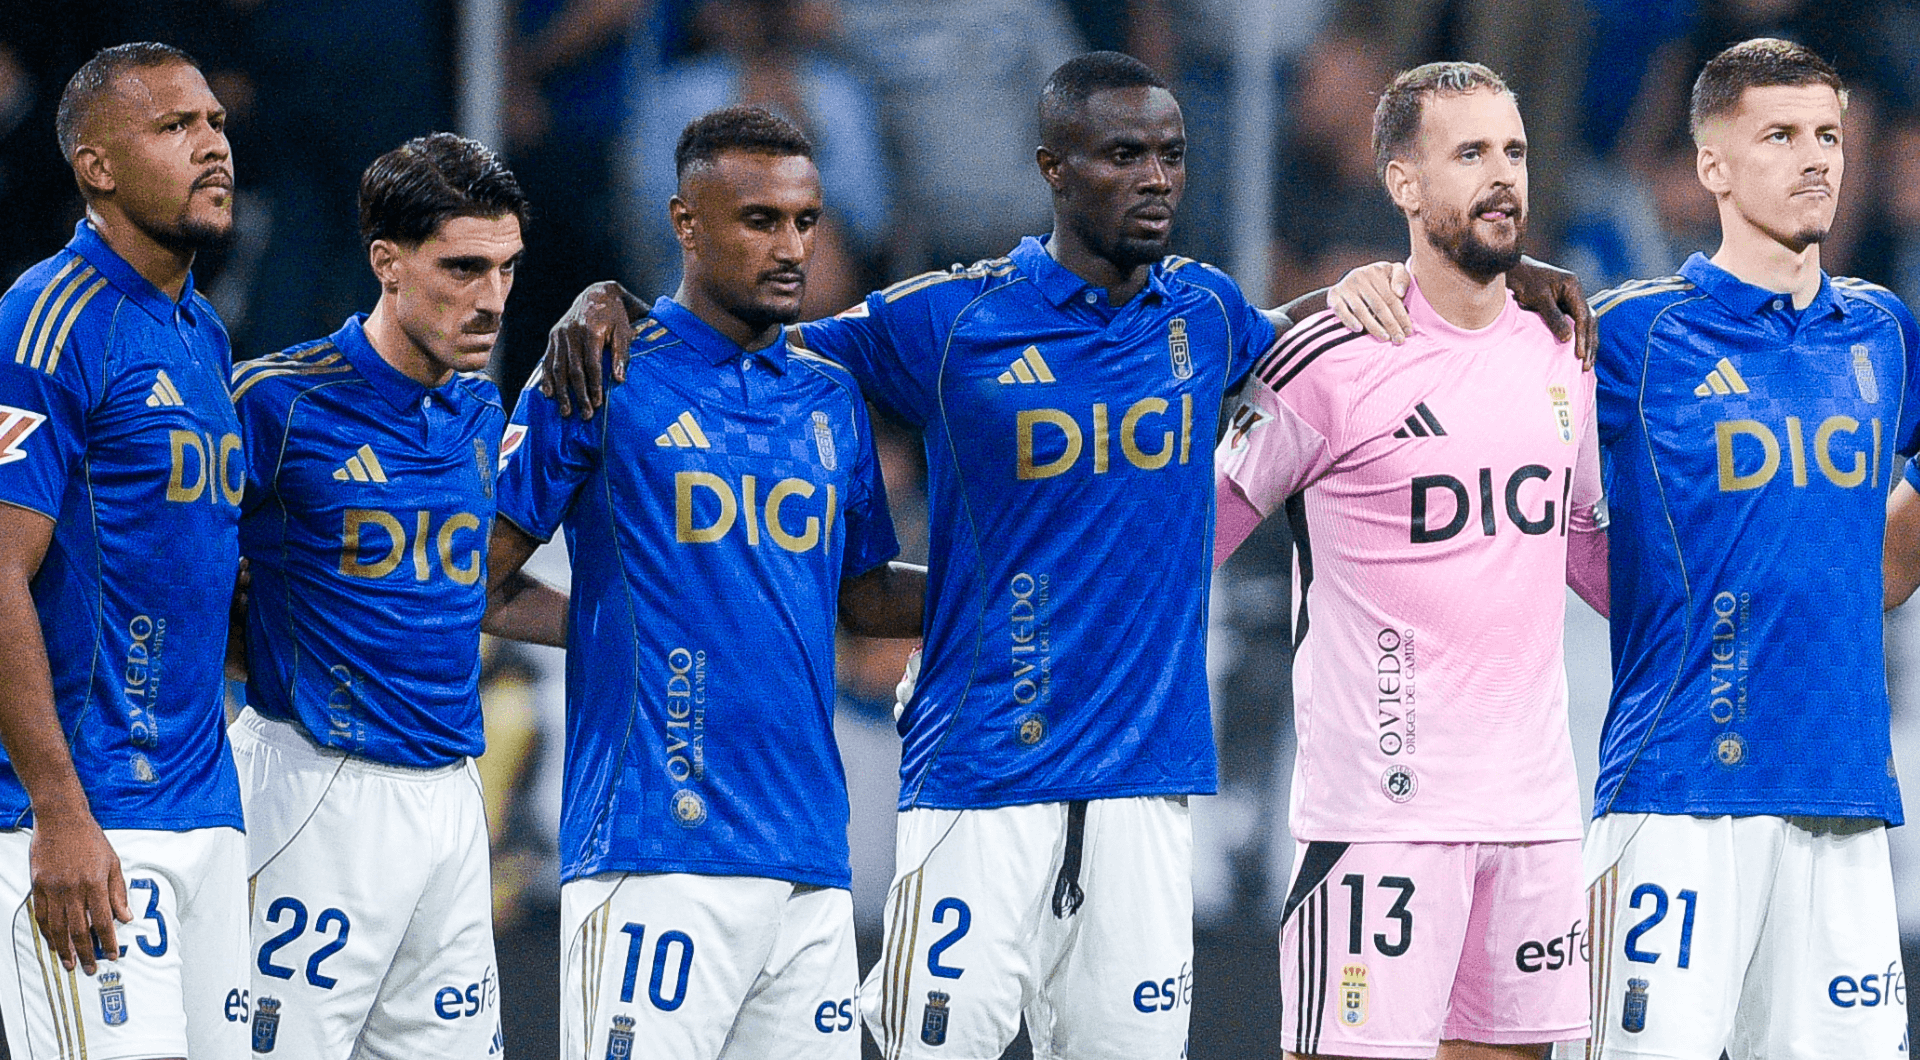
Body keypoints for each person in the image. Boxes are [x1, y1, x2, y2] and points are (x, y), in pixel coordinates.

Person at [542, 53, 1597, 1059]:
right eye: (1123, 155)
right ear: (1053, 168)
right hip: (980, 773)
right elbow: (754, 338)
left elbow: (1345, 322)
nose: (1156, 179)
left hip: (1146, 779)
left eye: (1170, 155)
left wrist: (1512, 270)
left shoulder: (1206, 312)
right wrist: (613, 306)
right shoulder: (952, 318)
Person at [491, 106, 924, 1060]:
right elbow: (475, 578)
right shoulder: (601, 367)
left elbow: (860, 597)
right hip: (653, 851)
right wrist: (607, 625)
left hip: (810, 863)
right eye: (760, 220)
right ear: (685, 223)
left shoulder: (828, 394)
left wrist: (1002, 585)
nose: (792, 247)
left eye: (805, 221)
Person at [1215, 61, 1605, 1060]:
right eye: (1469, 152)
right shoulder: (1330, 357)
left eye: (1514, 151)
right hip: (1379, 822)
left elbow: (1593, 557)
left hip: (1533, 817)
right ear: (1402, 182)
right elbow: (1190, 538)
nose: (1502, 174)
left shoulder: (1564, 350)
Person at [1583, 38, 1920, 1058]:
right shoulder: (1632, 334)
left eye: (1828, 135)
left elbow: (1885, 565)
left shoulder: (1883, 329)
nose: (1815, 158)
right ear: (1712, 165)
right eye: (1779, 135)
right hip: (1678, 794)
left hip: (1843, 796)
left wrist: (1867, 570)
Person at [226, 132, 566, 1058]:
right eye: (463, 267)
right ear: (388, 262)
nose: (493, 297)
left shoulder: (478, 409)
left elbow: (471, 586)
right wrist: (266, 655)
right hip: (315, 787)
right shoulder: (276, 403)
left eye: (506, 268)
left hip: (452, 801)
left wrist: (626, 626)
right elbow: (177, 573)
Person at [0, 42, 248, 1060]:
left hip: (207, 811)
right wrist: (57, 810)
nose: (212, 145)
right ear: (96, 168)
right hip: (90, 819)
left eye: (215, 122)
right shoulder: (46, 318)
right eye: (174, 126)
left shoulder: (202, 331)